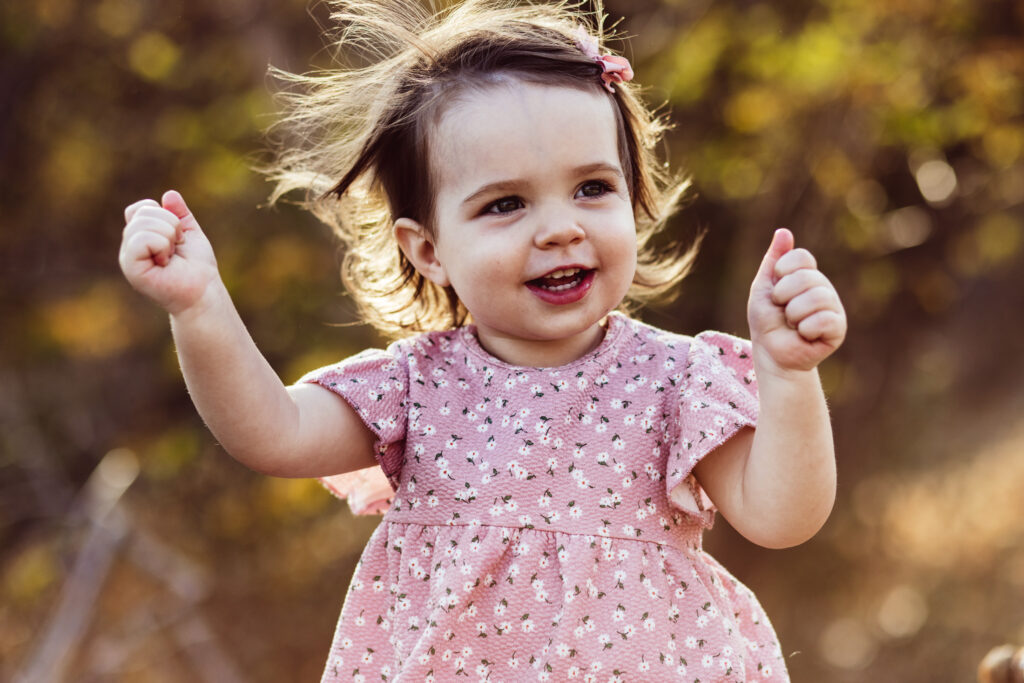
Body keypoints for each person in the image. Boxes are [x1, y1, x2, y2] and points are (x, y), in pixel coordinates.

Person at [118, 1, 846, 680]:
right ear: (428, 249)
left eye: (592, 187)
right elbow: (270, 431)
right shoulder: (414, 386)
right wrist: (199, 307)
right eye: (506, 203)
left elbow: (782, 517)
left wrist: (788, 374)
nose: (560, 226)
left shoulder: (677, 379)